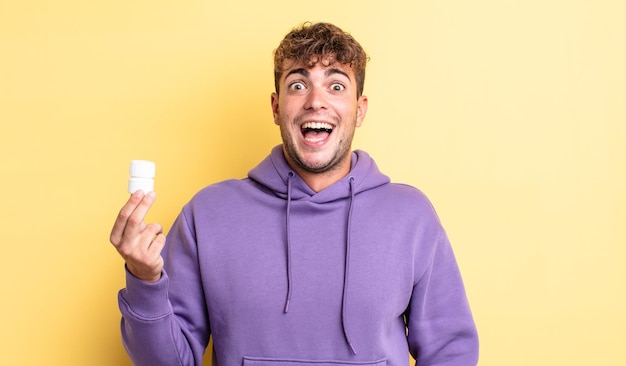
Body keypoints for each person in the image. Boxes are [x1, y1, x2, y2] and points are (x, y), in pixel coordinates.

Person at [110, 22, 479, 366]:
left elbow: (451, 350)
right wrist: (145, 281)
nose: (315, 101)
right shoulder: (207, 215)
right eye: (298, 85)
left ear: (359, 110)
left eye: (336, 86)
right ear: (275, 108)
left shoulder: (410, 216)